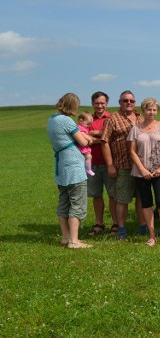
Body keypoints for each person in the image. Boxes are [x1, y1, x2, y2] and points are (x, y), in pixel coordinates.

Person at [47, 93, 94, 249]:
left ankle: (65, 237)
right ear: (72, 106)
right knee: (77, 203)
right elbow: (82, 140)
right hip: (74, 165)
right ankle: (74, 241)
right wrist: (88, 139)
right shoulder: (66, 121)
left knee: (64, 202)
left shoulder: (51, 120)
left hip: (61, 165)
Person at [101, 90, 146, 240]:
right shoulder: (112, 119)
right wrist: (110, 165)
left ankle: (143, 226)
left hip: (141, 166)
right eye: (125, 100)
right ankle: (121, 228)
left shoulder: (141, 117)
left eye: (131, 101)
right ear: (120, 102)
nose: (128, 103)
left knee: (141, 198)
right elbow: (105, 142)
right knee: (122, 199)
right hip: (123, 165)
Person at [129, 98, 160, 248]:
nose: (152, 112)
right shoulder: (135, 129)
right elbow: (132, 152)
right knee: (146, 203)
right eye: (149, 109)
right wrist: (142, 169)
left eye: (154, 110)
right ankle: (152, 235)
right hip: (142, 172)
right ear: (143, 111)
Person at [86, 91, 117, 237]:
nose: (100, 105)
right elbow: (83, 139)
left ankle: (115, 223)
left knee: (113, 194)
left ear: (107, 104)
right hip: (91, 163)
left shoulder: (112, 118)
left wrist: (95, 134)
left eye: (102, 103)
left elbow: (112, 138)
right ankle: (99, 223)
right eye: (97, 103)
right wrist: (103, 136)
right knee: (96, 194)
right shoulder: (86, 120)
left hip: (109, 162)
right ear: (92, 104)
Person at [76, 112, 96, 177]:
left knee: (87, 157)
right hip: (82, 147)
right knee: (89, 157)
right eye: (87, 124)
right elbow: (83, 134)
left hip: (83, 146)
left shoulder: (82, 127)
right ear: (81, 121)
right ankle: (88, 169)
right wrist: (90, 139)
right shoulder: (79, 128)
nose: (89, 126)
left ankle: (87, 169)